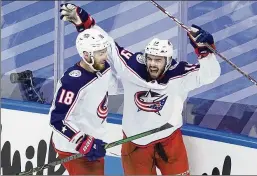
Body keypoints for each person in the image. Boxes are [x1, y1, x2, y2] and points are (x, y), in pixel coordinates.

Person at [60, 3, 221, 175]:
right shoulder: (132, 67)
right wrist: (85, 24)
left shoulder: (180, 75)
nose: (152, 64)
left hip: (170, 141)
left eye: (158, 60)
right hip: (135, 145)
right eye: (150, 59)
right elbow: (109, 46)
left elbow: (210, 75)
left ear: (168, 61)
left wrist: (205, 53)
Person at [49, 27, 120, 175]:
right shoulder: (72, 82)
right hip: (73, 147)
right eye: (100, 53)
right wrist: (83, 142)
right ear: (86, 55)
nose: (105, 56)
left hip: (94, 141)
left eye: (105, 51)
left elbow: (114, 88)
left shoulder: (103, 68)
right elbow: (57, 119)